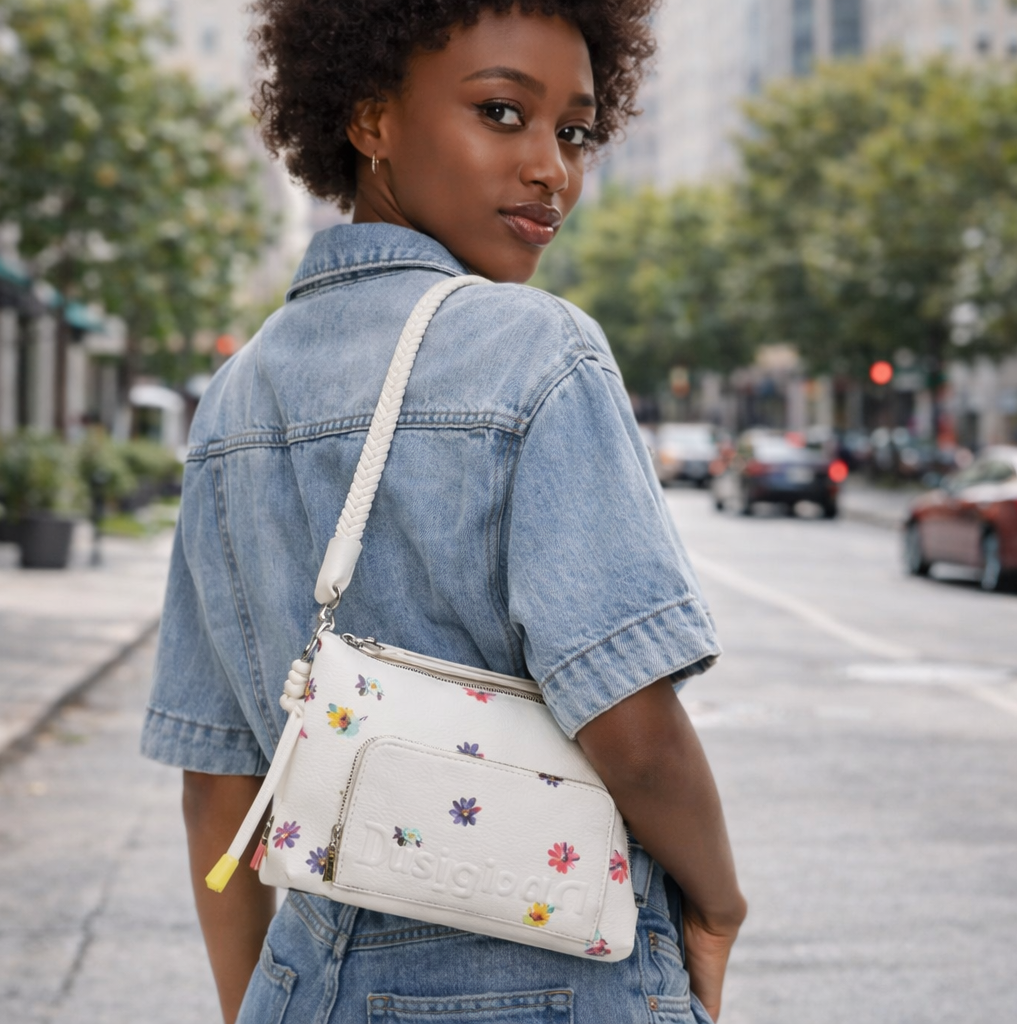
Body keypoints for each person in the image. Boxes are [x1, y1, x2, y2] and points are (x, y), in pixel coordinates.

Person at [140, 2, 747, 1021]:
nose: (552, 168)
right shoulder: (537, 349)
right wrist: (719, 903)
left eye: (576, 131)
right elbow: (633, 732)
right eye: (502, 112)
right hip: (551, 978)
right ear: (370, 119)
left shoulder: (234, 396)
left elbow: (218, 783)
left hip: (301, 980)